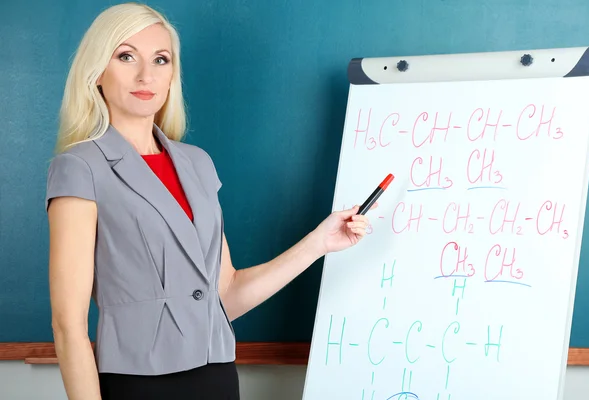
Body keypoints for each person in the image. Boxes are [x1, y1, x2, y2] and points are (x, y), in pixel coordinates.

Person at [45, 3, 374, 400]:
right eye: (126, 56)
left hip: (217, 377)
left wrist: (320, 242)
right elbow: (68, 325)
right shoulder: (80, 166)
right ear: (97, 71)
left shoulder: (196, 164)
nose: (146, 74)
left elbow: (226, 295)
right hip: (140, 383)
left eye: (161, 60)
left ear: (172, 75)